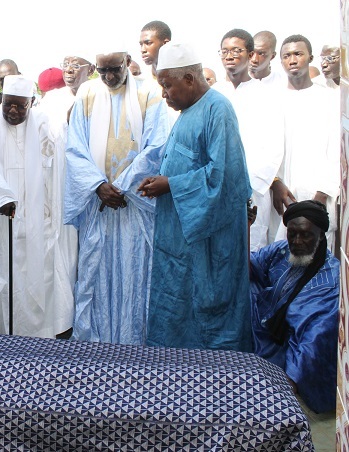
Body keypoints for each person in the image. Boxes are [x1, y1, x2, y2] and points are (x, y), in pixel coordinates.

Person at [138, 42, 252, 351]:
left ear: (189, 79)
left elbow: (226, 178)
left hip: (208, 247)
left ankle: (214, 385)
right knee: (176, 317)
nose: (164, 93)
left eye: (167, 85)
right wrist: (161, 181)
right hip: (180, 242)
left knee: (208, 323)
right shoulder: (189, 111)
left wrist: (171, 184)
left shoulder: (218, 109)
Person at [65, 46, 169, 345]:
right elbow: (75, 148)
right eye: (103, 71)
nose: (109, 76)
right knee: (95, 276)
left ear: (128, 63)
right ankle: (96, 343)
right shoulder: (86, 93)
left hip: (134, 204)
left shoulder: (149, 94)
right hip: (99, 204)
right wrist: (98, 186)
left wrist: (122, 186)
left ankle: (135, 343)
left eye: (115, 69)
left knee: (136, 277)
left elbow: (157, 144)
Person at [0, 75, 74, 338]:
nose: (13, 111)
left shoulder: (43, 123)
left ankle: (37, 337)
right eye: (8, 105)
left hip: (34, 218)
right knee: (1, 275)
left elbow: (53, 166)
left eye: (20, 106)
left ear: (32, 103)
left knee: (36, 277)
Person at [250, 200, 339, 414]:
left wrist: (285, 387)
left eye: (306, 235)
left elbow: (314, 339)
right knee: (244, 283)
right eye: (292, 234)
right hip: (263, 331)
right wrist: (246, 226)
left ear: (320, 236)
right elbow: (248, 266)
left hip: (289, 350)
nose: (297, 241)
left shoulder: (330, 279)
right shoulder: (281, 250)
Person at [214, 29, 284, 251]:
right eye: (224, 51)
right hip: (216, 189)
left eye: (236, 50)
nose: (230, 56)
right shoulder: (213, 94)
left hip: (251, 191)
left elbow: (273, 146)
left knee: (251, 253)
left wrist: (246, 184)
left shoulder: (267, 95)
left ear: (250, 54)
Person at [270, 35, 339, 250]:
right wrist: (275, 182)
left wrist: (322, 193)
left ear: (310, 57)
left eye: (298, 54)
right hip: (282, 196)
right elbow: (263, 150)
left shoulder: (329, 99)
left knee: (319, 259)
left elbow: (336, 150)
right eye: (286, 55)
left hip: (319, 195)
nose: (292, 60)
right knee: (281, 258)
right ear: (280, 61)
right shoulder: (271, 99)